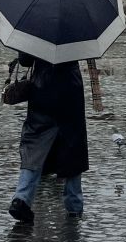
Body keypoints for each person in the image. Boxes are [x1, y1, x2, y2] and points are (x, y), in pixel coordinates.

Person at [8, 52, 89, 225]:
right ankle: (74, 205)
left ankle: (22, 198)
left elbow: (25, 60)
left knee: (34, 144)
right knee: (72, 146)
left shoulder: (36, 26)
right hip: (70, 89)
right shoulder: (76, 26)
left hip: (42, 89)